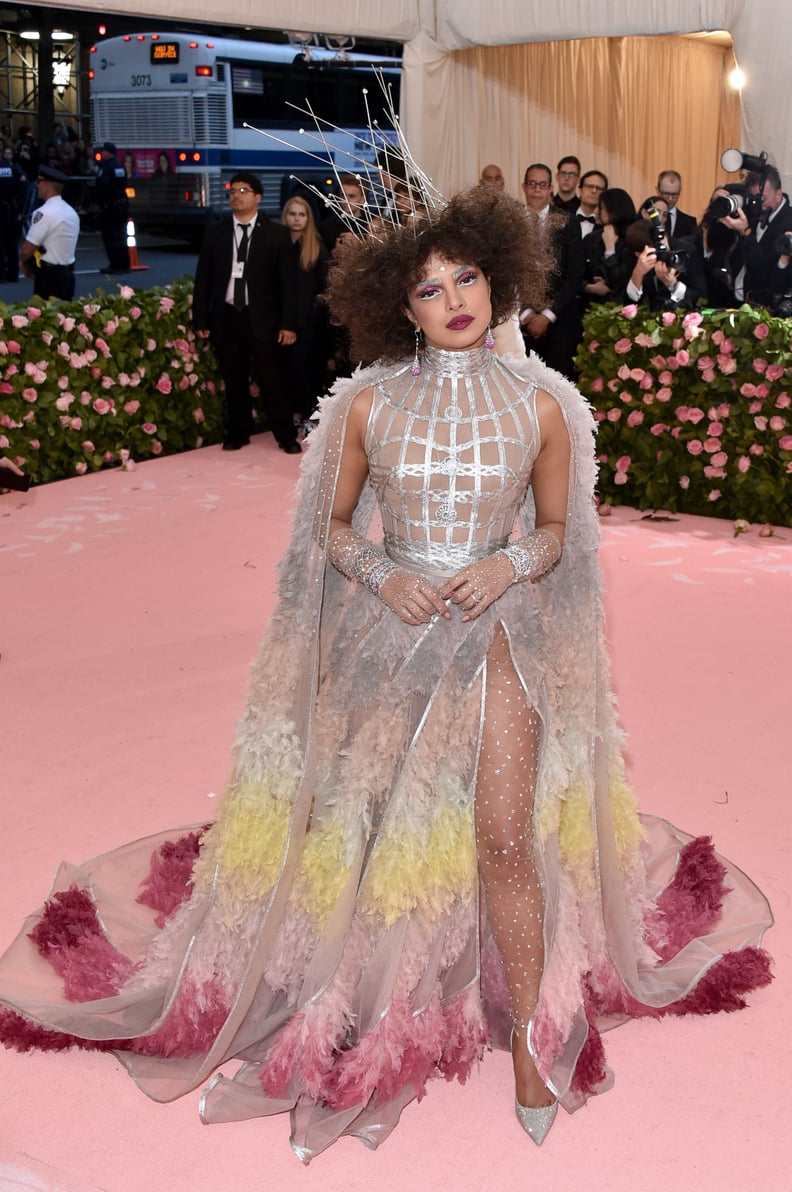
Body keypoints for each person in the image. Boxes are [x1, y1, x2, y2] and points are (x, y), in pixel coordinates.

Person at [0, 185, 772, 1163]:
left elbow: (553, 534)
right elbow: (326, 530)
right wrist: (380, 570)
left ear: (499, 280)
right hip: (390, 644)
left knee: (504, 836)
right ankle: (369, 998)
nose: (452, 298)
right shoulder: (365, 405)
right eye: (426, 286)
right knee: (372, 838)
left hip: (502, 644)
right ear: (395, 307)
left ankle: (533, 1040)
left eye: (467, 276)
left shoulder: (545, 407)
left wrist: (508, 564)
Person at [192, 171, 301, 453]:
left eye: (243, 191)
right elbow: (203, 278)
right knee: (233, 378)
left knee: (271, 378)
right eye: (233, 191)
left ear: (258, 198)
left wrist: (288, 324)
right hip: (228, 316)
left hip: (263, 318)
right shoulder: (215, 232)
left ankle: (285, 435)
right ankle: (238, 433)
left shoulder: (276, 234)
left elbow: (289, 285)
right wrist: (200, 318)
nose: (236, 196)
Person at [519, 162, 584, 378]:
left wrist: (547, 316)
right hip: (520, 323)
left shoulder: (568, 222)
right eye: (532, 184)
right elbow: (506, 275)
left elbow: (575, 276)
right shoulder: (511, 222)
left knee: (559, 388)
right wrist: (527, 314)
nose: (537, 189)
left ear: (550, 189)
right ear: (524, 187)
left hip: (559, 321)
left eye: (542, 185)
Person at [280, 194, 331, 427]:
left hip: (310, 322)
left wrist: (312, 311)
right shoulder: (278, 244)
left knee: (304, 368)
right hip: (281, 318)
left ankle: (307, 414)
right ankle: (294, 412)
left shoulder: (316, 247)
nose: (297, 219)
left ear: (308, 218)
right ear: (285, 216)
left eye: (302, 214)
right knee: (289, 369)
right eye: (293, 214)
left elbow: (326, 285)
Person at [19, 165, 80, 300]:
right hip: (68, 274)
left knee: (45, 317)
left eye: (40, 182)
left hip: (49, 277)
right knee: (65, 317)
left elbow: (28, 248)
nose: (37, 186)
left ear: (47, 185)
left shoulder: (43, 213)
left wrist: (23, 262)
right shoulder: (72, 212)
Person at [95, 142, 130, 274]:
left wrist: (100, 203)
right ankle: (124, 264)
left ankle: (116, 265)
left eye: (103, 151)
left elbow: (103, 187)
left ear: (109, 152)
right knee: (120, 236)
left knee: (110, 237)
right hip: (121, 205)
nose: (102, 154)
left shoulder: (106, 168)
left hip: (110, 207)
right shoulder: (119, 167)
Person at [0, 145, 24, 282]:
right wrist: (19, 209)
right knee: (12, 244)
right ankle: (13, 274)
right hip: (11, 209)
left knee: (1, 244)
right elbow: (22, 187)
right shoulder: (11, 168)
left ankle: (1, 273)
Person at [656, 170, 697, 240]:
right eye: (666, 194)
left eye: (674, 194)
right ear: (658, 191)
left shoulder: (689, 223)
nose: (670, 198)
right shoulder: (648, 217)